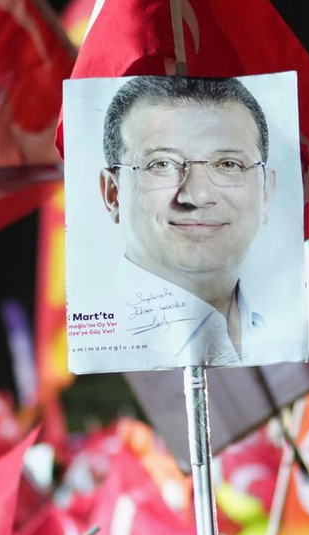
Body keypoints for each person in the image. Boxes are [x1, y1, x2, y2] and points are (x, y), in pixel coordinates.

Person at [90, 75, 289, 368]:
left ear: (265, 192)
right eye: (161, 164)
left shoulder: (281, 334)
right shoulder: (99, 357)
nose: (197, 195)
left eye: (228, 165)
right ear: (113, 193)